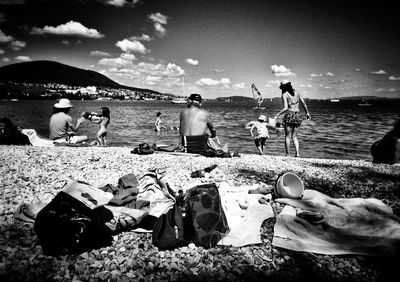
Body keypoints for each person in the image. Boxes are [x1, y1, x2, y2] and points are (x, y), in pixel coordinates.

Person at [274, 80, 311, 157]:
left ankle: (288, 154)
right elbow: (303, 103)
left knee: (287, 136)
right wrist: (307, 113)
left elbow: (285, 108)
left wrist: (277, 115)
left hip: (289, 116)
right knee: (294, 136)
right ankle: (297, 154)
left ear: (283, 87)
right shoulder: (297, 92)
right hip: (297, 116)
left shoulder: (285, 94)